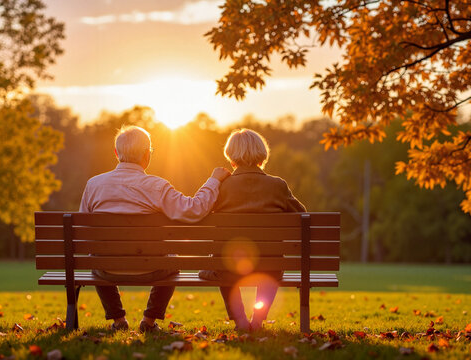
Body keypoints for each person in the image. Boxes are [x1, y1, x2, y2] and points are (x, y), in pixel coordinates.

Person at [79, 125, 231, 333]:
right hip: (152, 268)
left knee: (97, 257)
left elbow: (83, 229)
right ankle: (149, 322)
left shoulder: (93, 185)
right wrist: (213, 181)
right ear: (146, 155)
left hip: (107, 269)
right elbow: (193, 210)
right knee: (172, 261)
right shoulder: (157, 186)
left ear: (116, 153)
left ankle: (118, 320)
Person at [199, 128, 306, 331]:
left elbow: (200, 212)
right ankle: (257, 321)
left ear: (231, 157)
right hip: (270, 267)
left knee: (221, 264)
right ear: (262, 155)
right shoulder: (278, 185)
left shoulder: (222, 187)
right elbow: (302, 216)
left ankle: (240, 321)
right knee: (271, 265)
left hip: (228, 268)